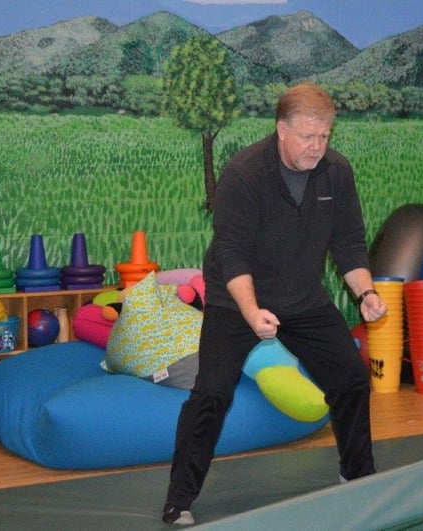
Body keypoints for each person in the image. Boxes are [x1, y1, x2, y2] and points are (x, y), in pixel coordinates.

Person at [162, 81, 387, 525]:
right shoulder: (245, 173)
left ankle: (358, 476)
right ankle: (178, 499)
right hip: (236, 301)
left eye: (324, 136)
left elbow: (349, 244)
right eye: (308, 136)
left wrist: (367, 293)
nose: (317, 147)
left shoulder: (336, 172)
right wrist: (250, 312)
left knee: (351, 378)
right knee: (211, 393)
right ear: (281, 130)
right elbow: (231, 252)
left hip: (302, 297)